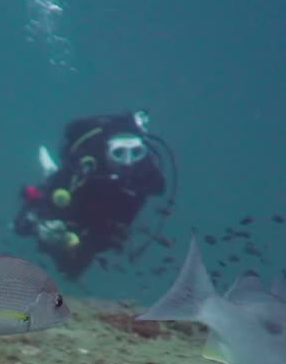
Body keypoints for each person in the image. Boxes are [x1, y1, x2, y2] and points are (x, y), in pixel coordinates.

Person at [14, 109, 175, 279]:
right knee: (59, 253)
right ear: (106, 150)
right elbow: (23, 225)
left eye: (136, 152)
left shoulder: (146, 171)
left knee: (73, 270)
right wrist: (41, 227)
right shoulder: (85, 167)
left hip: (106, 227)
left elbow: (159, 187)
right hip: (78, 211)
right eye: (118, 153)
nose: (128, 162)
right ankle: (49, 174)